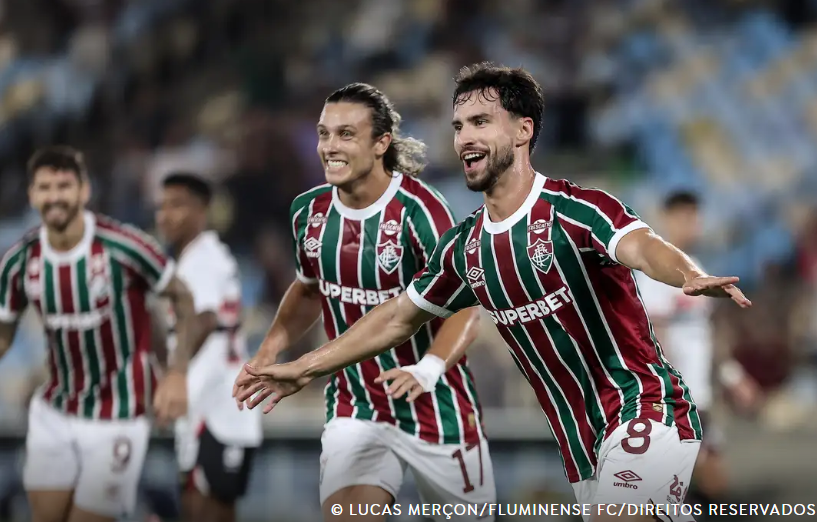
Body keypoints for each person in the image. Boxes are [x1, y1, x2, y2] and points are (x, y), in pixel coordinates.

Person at [234, 64, 753, 522]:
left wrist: (683, 273)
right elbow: (396, 319)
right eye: (458, 126)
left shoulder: (574, 210)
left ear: (524, 131)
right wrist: (304, 367)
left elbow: (641, 246)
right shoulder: (465, 248)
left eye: (480, 123)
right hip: (579, 441)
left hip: (644, 408)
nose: (463, 137)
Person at [233, 83, 496, 521]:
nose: (329, 147)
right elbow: (308, 287)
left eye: (345, 135)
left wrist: (428, 368)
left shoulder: (422, 211)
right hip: (355, 405)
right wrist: (269, 346)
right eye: (323, 134)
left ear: (381, 143)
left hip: (437, 406)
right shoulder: (309, 211)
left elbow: (466, 307)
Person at [0, 146, 195, 522]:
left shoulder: (124, 246)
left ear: (84, 191)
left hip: (119, 413)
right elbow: (2, 331)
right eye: (44, 188)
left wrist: (175, 373)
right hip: (56, 411)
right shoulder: (21, 260)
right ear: (32, 195)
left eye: (64, 186)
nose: (54, 197)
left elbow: (182, 296)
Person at [633, 191, 762, 508]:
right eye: (685, 217)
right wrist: (669, 393)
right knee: (698, 483)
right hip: (674, 399)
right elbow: (652, 335)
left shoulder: (698, 269)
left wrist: (733, 377)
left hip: (698, 398)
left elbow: (707, 334)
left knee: (701, 484)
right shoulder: (655, 271)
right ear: (666, 218)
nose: (693, 225)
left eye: (696, 217)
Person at [155, 172, 261, 522]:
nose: (165, 215)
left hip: (214, 409)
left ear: (202, 211)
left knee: (201, 509)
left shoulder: (200, 259)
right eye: (162, 206)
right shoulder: (209, 256)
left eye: (177, 206)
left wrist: (174, 375)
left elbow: (203, 319)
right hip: (216, 408)